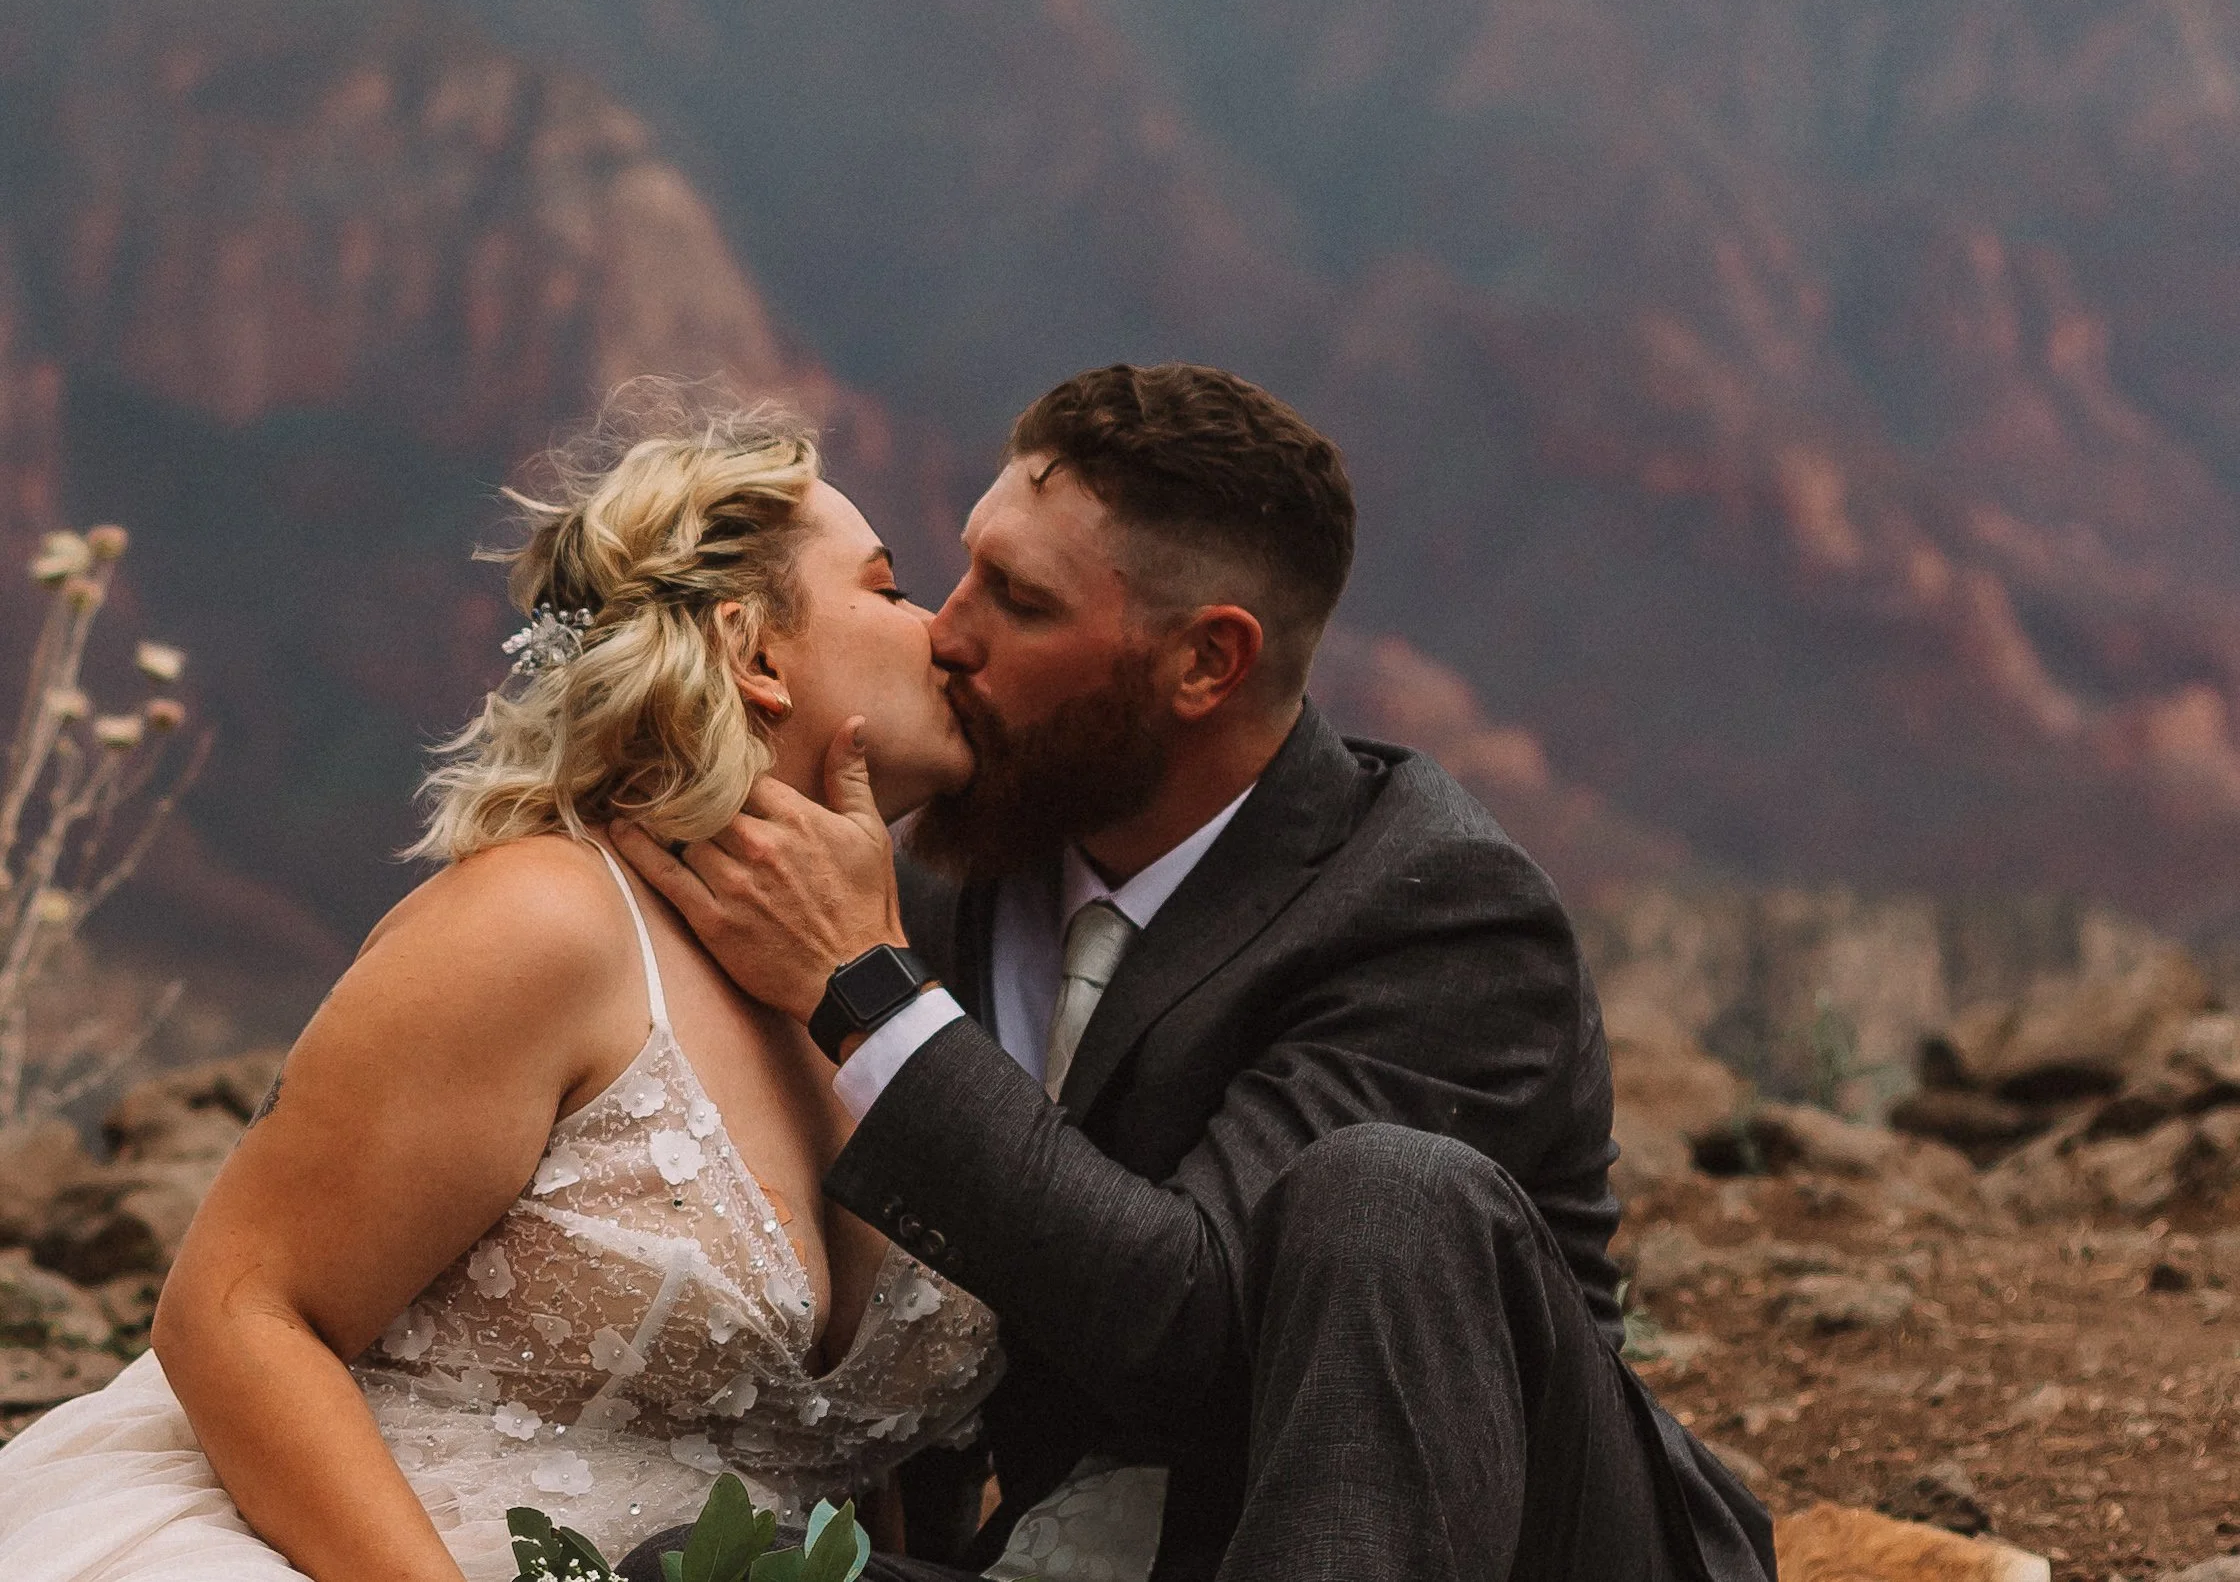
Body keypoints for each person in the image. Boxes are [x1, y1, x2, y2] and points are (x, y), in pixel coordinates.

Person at [616, 363, 1777, 1582]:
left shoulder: (1439, 914)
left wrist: (872, 1000)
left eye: (1017, 599)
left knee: (1384, 1193)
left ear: (1205, 664)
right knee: (705, 1574)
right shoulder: (953, 883)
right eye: (958, 569)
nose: (944, 633)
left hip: (1509, 1548)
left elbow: (1194, 1327)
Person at [0, 396, 1003, 1582]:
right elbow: (233, 1315)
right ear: (755, 651)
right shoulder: (545, 920)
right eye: (887, 589)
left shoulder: (889, 981)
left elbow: (836, 1468)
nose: (938, 628)